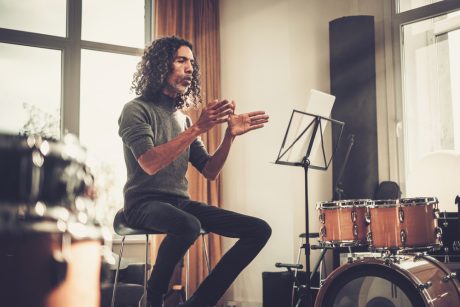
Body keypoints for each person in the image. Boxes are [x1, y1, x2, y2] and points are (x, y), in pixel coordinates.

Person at [118, 36, 272, 307]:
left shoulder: (183, 119)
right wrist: (198, 128)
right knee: (189, 225)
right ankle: (152, 301)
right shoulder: (135, 110)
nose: (190, 68)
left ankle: (199, 303)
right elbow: (150, 163)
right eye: (181, 60)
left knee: (259, 230)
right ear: (160, 66)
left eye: (192, 62)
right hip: (142, 203)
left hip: (180, 203)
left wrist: (230, 136)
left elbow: (210, 170)